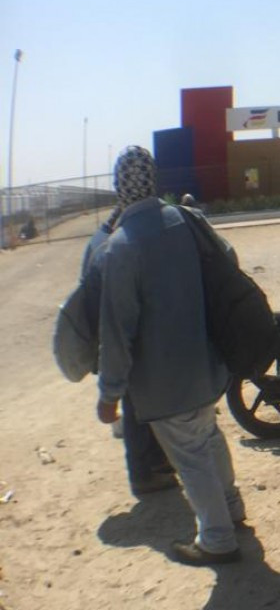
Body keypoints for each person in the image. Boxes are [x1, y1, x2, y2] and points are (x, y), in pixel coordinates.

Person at [96, 146, 245, 565]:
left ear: (119, 187)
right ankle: (232, 509)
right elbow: (228, 259)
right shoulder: (185, 220)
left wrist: (109, 394)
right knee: (209, 437)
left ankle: (217, 538)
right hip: (206, 363)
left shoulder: (120, 247)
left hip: (164, 382)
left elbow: (117, 331)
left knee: (190, 455)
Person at [82, 205, 177, 497]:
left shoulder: (102, 239)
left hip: (120, 337)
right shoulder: (113, 245)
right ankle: (143, 475)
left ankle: (157, 462)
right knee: (135, 408)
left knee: (142, 404)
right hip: (120, 340)